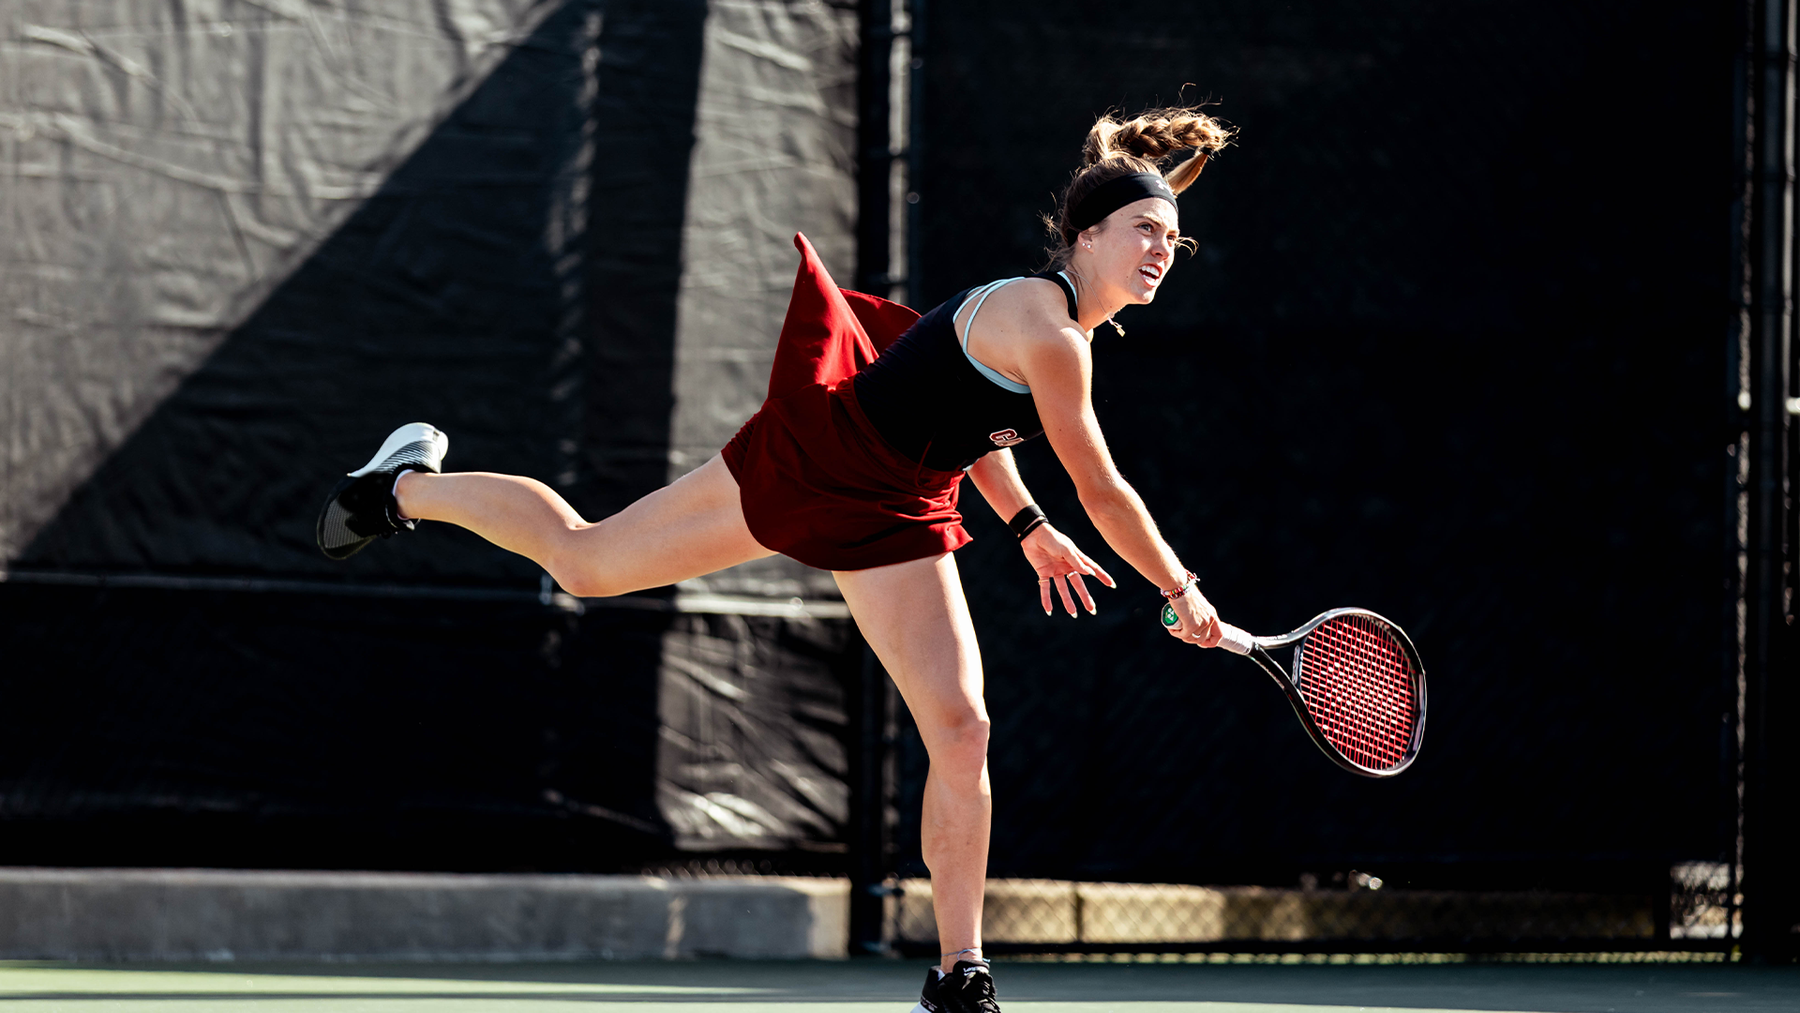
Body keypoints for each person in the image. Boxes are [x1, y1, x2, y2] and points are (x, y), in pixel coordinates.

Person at [317, 104, 1232, 1013]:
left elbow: (973, 425)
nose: (1160, 249)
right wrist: (1181, 589)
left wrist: (1027, 524)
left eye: (1172, 237)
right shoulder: (1049, 329)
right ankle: (402, 488)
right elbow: (1104, 490)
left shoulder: (1060, 336)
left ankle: (960, 974)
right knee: (584, 564)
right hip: (813, 466)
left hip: (899, 511)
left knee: (962, 730)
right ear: (1085, 235)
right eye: (1144, 230)